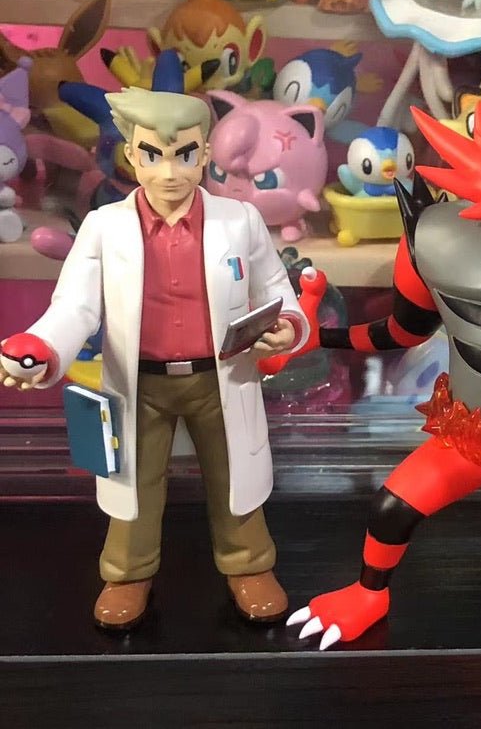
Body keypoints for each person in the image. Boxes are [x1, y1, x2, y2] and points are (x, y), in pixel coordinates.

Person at [0, 87, 308, 630]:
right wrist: (42, 347)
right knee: (134, 484)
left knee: (235, 476)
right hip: (139, 383)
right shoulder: (105, 227)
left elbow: (276, 291)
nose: (169, 172)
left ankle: (249, 564)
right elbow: (75, 306)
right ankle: (127, 574)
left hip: (221, 377)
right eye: (152, 155)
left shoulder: (239, 220)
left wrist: (286, 325)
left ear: (205, 154)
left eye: (185, 155)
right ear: (131, 155)